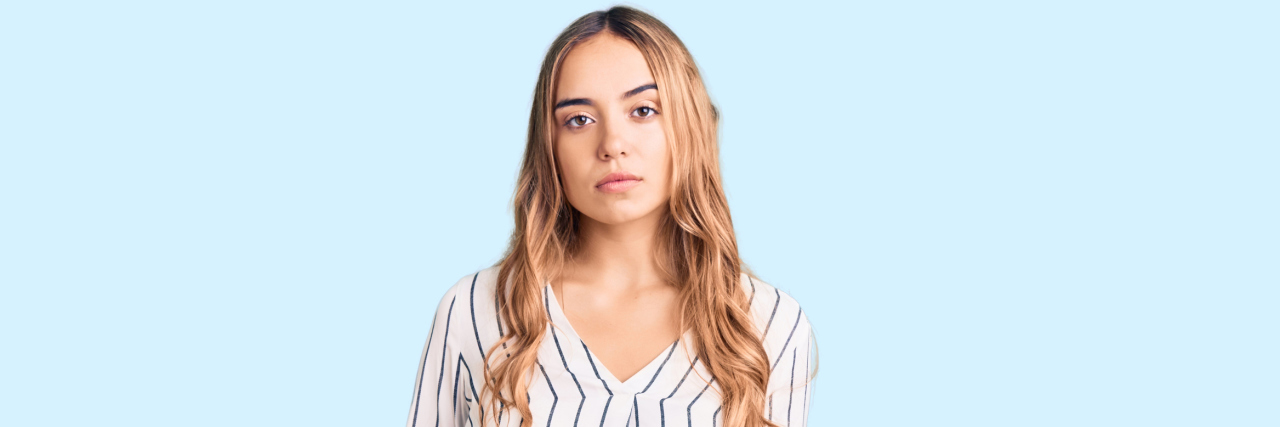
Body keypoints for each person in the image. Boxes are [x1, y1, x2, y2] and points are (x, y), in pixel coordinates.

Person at [406, 6, 816, 427]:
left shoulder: (766, 325)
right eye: (579, 119)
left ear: (688, 125)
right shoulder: (475, 310)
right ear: (549, 146)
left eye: (643, 110)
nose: (613, 144)